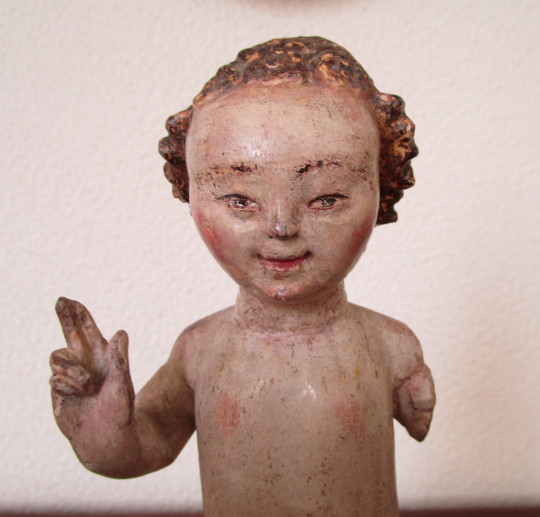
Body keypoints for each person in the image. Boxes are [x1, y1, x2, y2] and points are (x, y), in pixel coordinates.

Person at [50, 37, 435, 517]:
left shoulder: (391, 346)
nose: (281, 226)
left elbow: (418, 422)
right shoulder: (199, 350)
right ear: (189, 193)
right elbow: (149, 442)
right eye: (240, 200)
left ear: (383, 191)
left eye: (326, 198)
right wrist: (102, 435)